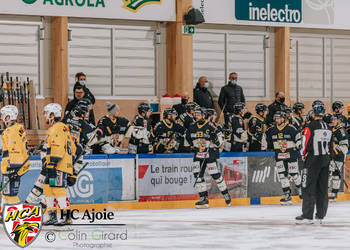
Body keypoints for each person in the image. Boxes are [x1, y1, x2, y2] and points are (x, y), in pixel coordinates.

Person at [186, 107, 231, 208]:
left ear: (204, 115)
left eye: (198, 114)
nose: (196, 116)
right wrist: (192, 146)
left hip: (210, 154)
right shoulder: (192, 126)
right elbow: (188, 139)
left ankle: (226, 194)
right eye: (195, 114)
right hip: (198, 154)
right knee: (197, 176)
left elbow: (220, 141)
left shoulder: (212, 126)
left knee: (215, 175)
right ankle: (203, 199)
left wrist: (216, 140)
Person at [296, 102, 332, 224]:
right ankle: (320, 215)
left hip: (313, 160)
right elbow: (331, 146)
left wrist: (302, 155)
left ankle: (307, 215)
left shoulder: (310, 126)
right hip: (325, 160)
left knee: (307, 186)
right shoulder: (328, 127)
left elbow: (304, 143)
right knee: (322, 188)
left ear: (314, 113)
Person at [42, 103, 74, 225]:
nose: (45, 116)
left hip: (58, 164)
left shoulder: (58, 127)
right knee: (48, 187)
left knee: (58, 189)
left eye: (46, 113)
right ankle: (52, 215)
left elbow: (58, 147)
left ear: (52, 115)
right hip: (55, 163)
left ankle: (66, 216)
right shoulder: (59, 127)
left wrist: (52, 163)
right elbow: (73, 148)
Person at [266, 111, 302, 205]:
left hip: (291, 155)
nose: (277, 120)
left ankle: (301, 191)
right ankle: (287, 194)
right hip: (279, 156)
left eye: (278, 118)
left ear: (283, 118)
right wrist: (264, 146)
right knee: (282, 175)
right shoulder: (271, 130)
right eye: (276, 118)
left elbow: (298, 138)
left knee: (294, 174)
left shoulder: (291, 128)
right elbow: (266, 140)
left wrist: (299, 145)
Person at [0, 105, 29, 211]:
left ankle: (19, 215)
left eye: (3, 115)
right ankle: (3, 212)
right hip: (12, 165)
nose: (1, 117)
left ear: (9, 116)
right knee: (6, 192)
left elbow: (15, 150)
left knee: (11, 194)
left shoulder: (11, 131)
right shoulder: (18, 128)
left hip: (12, 166)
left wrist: (14, 167)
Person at [328, 114, 349, 202]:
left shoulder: (341, 131)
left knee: (335, 174)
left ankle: (334, 193)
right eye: (332, 119)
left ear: (339, 121)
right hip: (330, 156)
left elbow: (345, 148)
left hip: (338, 157)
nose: (333, 121)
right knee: (330, 174)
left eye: (335, 119)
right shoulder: (331, 130)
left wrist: (335, 147)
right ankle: (330, 193)